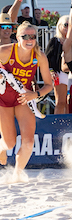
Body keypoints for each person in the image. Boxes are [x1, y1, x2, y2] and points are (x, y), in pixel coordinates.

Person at [0, 22, 53, 181]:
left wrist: (35, 94)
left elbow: (49, 85)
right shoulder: (6, 51)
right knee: (9, 144)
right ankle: (2, 148)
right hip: (3, 100)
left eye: (33, 36)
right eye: (25, 36)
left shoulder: (39, 56)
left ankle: (17, 175)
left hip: (23, 98)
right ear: (17, 37)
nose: (29, 40)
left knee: (29, 142)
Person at [44, 15, 70, 114]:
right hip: (59, 73)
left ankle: (70, 122)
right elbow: (46, 58)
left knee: (69, 103)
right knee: (61, 102)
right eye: (66, 25)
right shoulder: (55, 41)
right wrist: (51, 71)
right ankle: (58, 122)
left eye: (70, 25)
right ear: (60, 26)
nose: (68, 27)